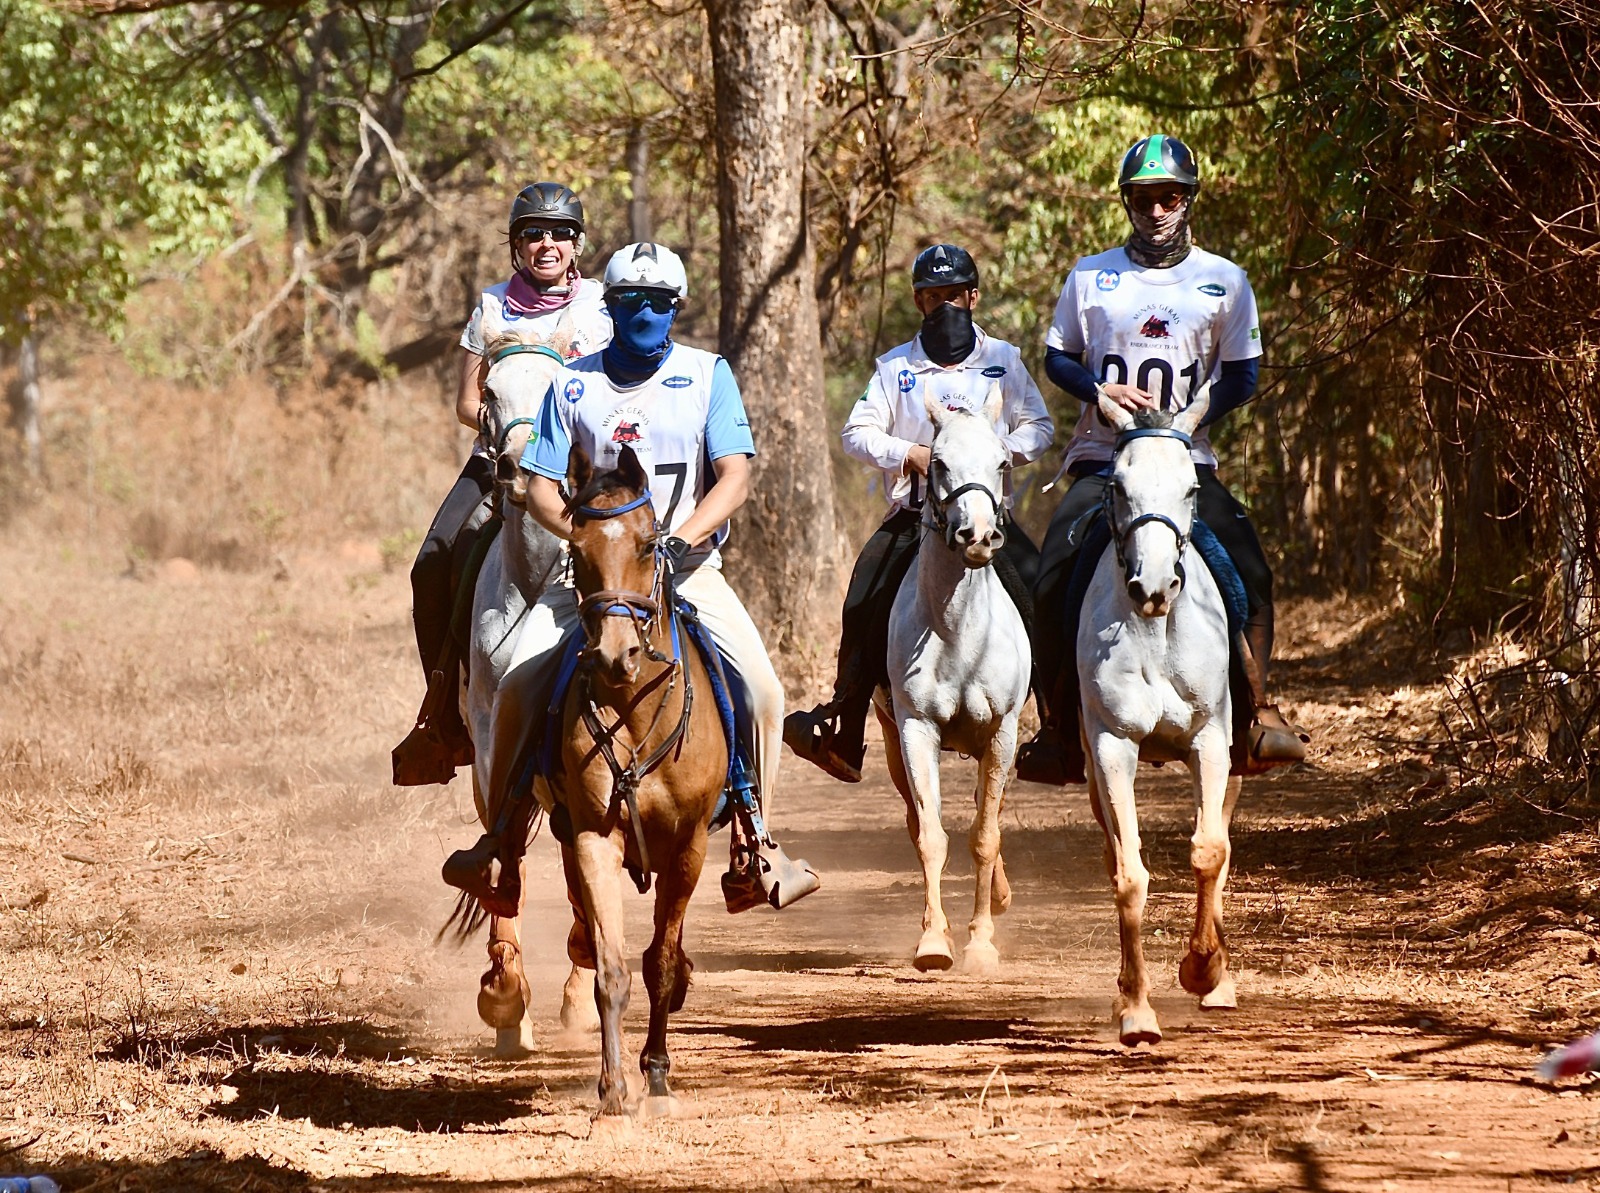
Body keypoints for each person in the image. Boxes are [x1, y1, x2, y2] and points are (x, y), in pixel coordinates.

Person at [449, 241, 818, 912]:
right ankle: (501, 841)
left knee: (764, 691)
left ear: (676, 307)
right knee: (514, 686)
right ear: (608, 306)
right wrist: (589, 543)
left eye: (656, 302)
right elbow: (537, 486)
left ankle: (754, 839)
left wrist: (681, 539)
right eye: (628, 301)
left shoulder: (709, 373)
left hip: (689, 569)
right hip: (594, 580)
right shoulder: (573, 381)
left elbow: (734, 476)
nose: (643, 312)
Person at [1016, 134, 1309, 786]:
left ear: (1187, 200)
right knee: (1051, 573)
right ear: (1128, 203)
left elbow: (1243, 373)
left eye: (1168, 197)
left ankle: (1256, 714)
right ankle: (1059, 727)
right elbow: (1058, 354)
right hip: (1104, 458)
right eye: (1144, 198)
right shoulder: (1091, 275)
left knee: (1250, 568)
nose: (1156, 210)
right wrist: (1098, 390)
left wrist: (1194, 415)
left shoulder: (1224, 279)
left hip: (1185, 462)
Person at [783, 243, 1055, 783]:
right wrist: (908, 454)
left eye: (953, 294)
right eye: (932, 297)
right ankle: (844, 724)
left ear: (973, 296)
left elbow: (1039, 427)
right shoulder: (894, 368)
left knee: (1040, 592)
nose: (943, 306)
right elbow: (856, 432)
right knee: (863, 595)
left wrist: (993, 453)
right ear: (917, 302)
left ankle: (1055, 729)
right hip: (918, 518)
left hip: (985, 515)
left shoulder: (1005, 360)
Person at [397, 182, 611, 781]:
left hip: (579, 459)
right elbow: (466, 402)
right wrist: (506, 426)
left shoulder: (598, 306)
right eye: (533, 234)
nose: (547, 244)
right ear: (516, 245)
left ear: (577, 242)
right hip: (499, 454)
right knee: (430, 564)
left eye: (559, 234)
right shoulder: (490, 307)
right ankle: (444, 716)